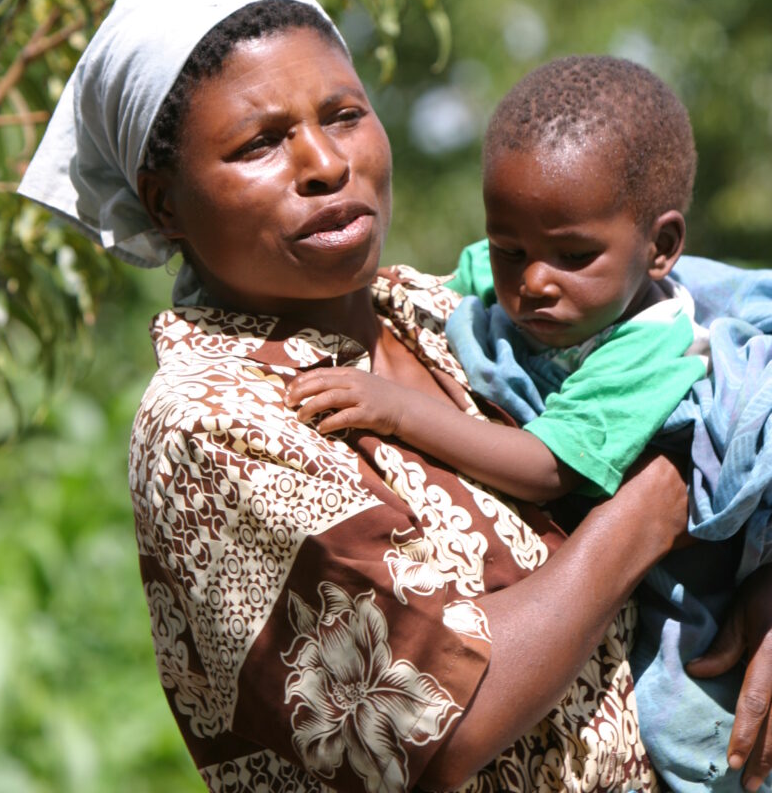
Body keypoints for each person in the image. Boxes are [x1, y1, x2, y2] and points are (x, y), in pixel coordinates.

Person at [15, 0, 767, 793]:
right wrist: (662, 501)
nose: (324, 163)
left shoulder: (445, 309)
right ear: (163, 203)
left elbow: (724, 348)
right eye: (259, 143)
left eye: (344, 116)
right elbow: (434, 726)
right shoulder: (213, 421)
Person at [286, 56, 772, 793]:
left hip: (693, 588)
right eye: (511, 249)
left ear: (662, 248)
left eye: (573, 256)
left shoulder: (649, 347)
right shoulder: (521, 268)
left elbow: (549, 466)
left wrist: (396, 408)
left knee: (686, 732)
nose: (533, 281)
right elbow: (454, 284)